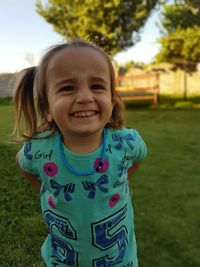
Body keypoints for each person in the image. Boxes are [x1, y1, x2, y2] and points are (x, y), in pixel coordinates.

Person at [13, 39, 147, 267]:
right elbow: (23, 166)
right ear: (47, 108)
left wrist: (121, 180)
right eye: (67, 88)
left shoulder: (127, 142)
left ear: (112, 99)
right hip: (64, 260)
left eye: (97, 86)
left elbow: (138, 158)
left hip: (119, 260)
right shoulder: (38, 150)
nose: (85, 97)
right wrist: (47, 188)